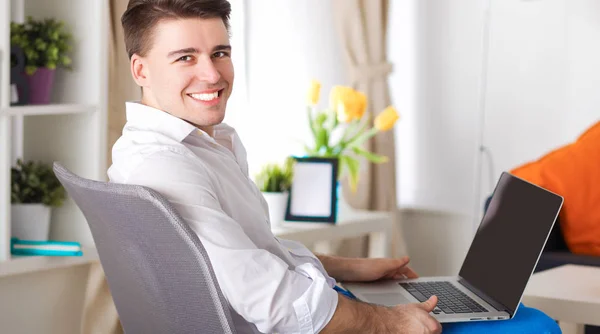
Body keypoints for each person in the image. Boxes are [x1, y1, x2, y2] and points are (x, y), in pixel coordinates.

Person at [109, 1, 560, 333]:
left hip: (309, 304)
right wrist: (390, 322)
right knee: (536, 326)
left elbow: (240, 258)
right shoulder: (167, 166)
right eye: (185, 57)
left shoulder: (186, 146)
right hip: (298, 324)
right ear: (141, 69)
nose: (212, 75)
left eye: (220, 53)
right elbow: (272, 301)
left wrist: (340, 267)